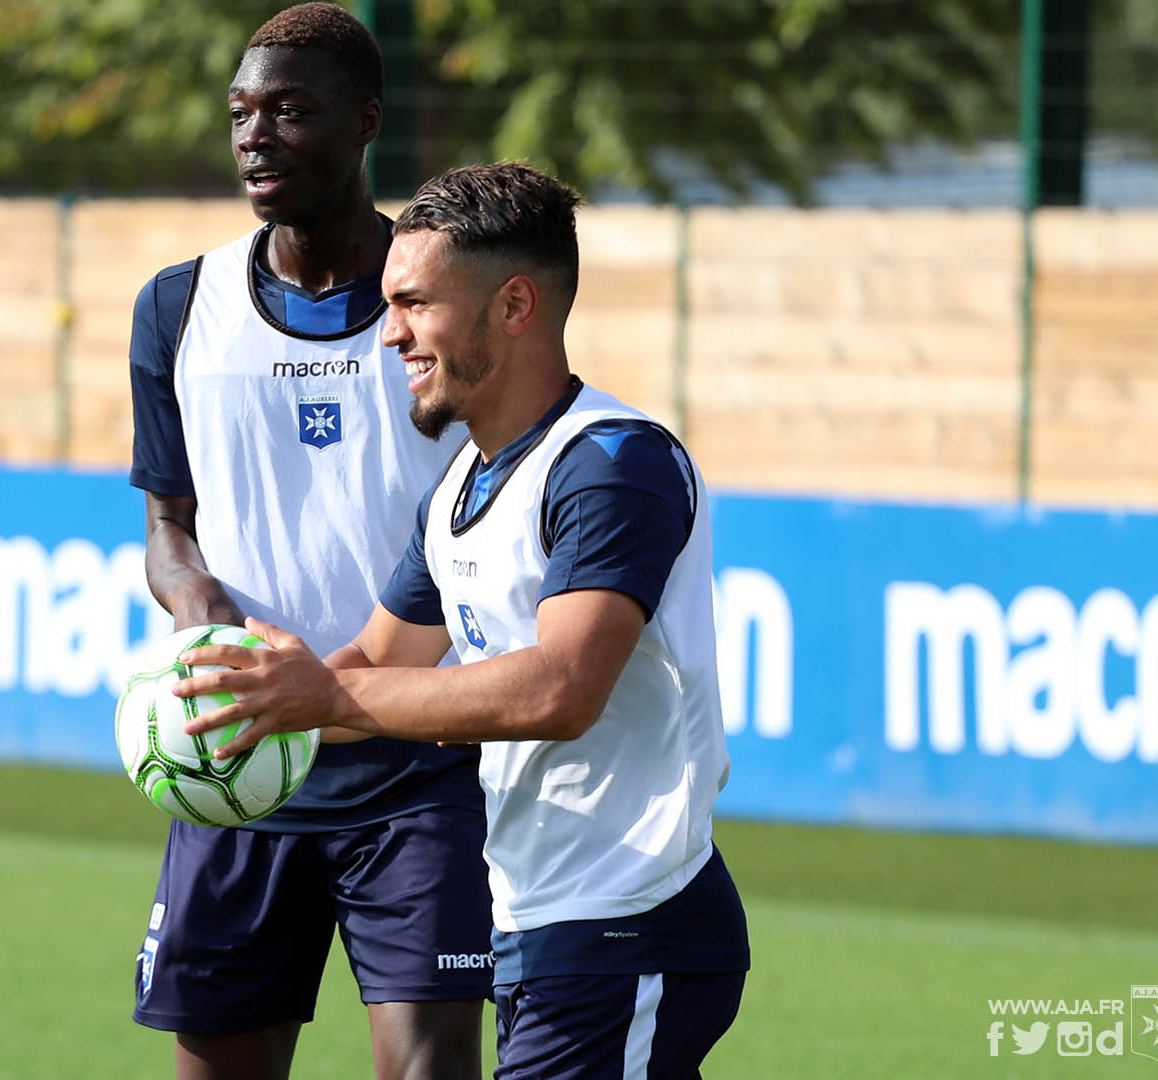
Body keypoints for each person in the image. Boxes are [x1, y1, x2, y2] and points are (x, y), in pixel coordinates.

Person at [173, 162, 751, 1079]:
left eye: (414, 304)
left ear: (514, 305)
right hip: (541, 925)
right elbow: (372, 657)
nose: (390, 333)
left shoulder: (611, 465)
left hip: (629, 923)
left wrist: (327, 694)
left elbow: (561, 690)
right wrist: (248, 706)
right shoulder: (461, 489)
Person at [123, 5, 492, 1079]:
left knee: (428, 1067)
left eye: (292, 111)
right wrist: (205, 621)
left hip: (420, 764)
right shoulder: (178, 308)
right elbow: (165, 528)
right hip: (240, 759)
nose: (256, 135)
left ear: (364, 122)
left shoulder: (440, 304)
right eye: (242, 112)